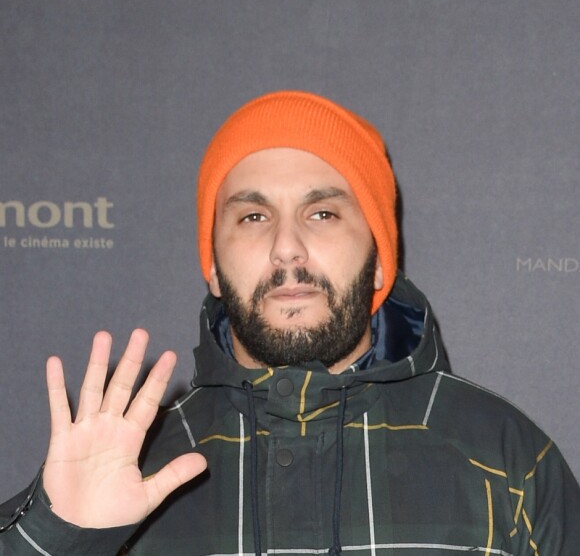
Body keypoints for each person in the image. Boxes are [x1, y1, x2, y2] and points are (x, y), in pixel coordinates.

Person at [1, 90, 579, 555]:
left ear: (380, 259)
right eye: (253, 216)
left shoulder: (505, 460)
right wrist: (56, 537)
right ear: (213, 268)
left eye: (322, 212)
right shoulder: (135, 464)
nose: (286, 248)